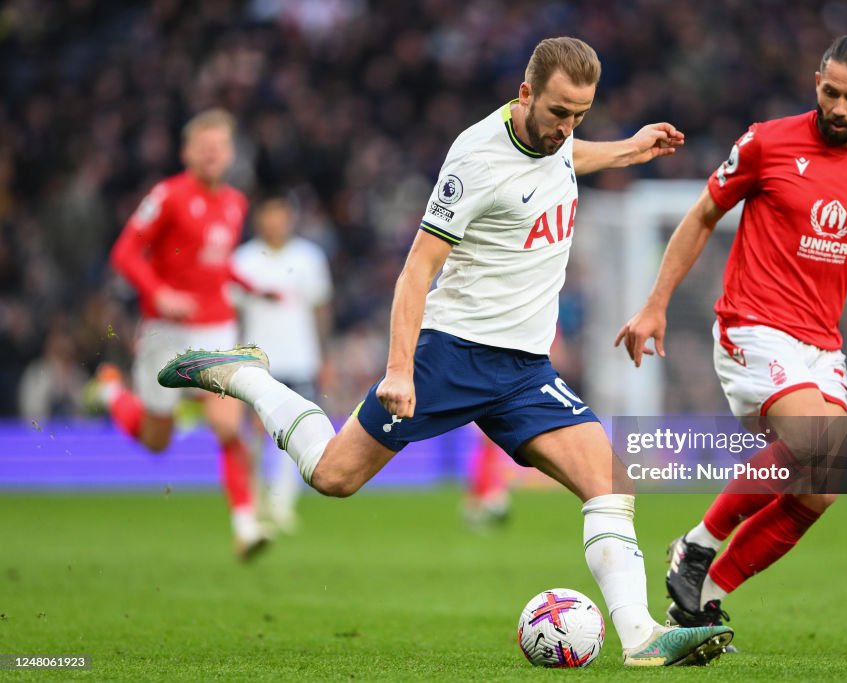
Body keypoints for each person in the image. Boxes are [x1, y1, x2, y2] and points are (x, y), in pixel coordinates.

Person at [158, 37, 733, 666]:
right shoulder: (476, 160)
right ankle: (247, 377)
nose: (567, 127)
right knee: (333, 476)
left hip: (524, 370)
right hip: (454, 355)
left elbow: (565, 157)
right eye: (558, 113)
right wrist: (400, 370)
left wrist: (628, 147)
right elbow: (416, 270)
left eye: (580, 114)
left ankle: (640, 638)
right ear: (525, 94)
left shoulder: (557, 137)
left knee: (610, 480)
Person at [616, 28, 847, 633]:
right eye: (831, 93)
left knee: (822, 489)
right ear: (817, 82)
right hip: (753, 326)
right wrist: (656, 303)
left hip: (821, 345)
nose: (839, 108)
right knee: (814, 444)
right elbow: (703, 215)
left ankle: (703, 594)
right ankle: (697, 542)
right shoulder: (766, 142)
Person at [95, 109, 271, 560]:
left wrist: (253, 287)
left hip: (217, 328)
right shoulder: (167, 196)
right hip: (166, 332)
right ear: (187, 152)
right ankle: (113, 390)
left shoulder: (235, 202)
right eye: (204, 147)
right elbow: (125, 251)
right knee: (158, 440)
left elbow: (217, 262)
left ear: (231, 153)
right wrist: (161, 292)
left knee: (227, 423)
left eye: (220, 147)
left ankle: (247, 525)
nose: (213, 154)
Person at [232, 195, 334, 533]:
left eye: (280, 215)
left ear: (289, 218)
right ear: (260, 219)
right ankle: (257, 498)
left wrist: (324, 355)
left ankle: (282, 504)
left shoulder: (309, 258)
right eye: (269, 215)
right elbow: (233, 314)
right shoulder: (243, 260)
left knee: (298, 434)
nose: (275, 222)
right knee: (257, 435)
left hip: (300, 359)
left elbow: (320, 309)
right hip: (257, 361)